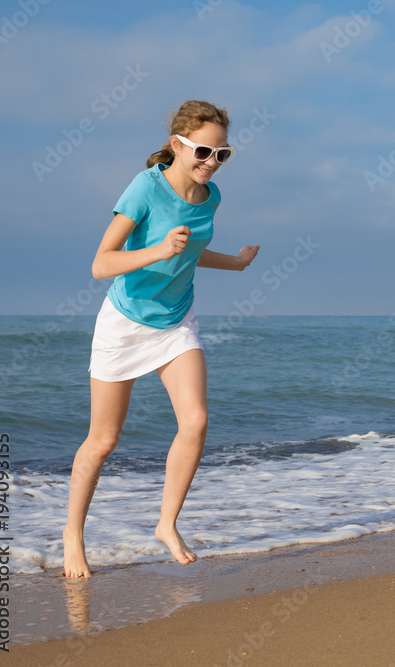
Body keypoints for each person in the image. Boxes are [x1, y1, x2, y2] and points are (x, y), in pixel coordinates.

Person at [62, 100, 260, 577]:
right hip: (125, 321)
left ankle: (166, 523)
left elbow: (191, 250)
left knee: (195, 421)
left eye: (222, 154)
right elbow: (100, 264)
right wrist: (155, 250)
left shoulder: (210, 197)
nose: (212, 162)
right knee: (103, 440)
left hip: (176, 320)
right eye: (204, 151)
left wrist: (232, 262)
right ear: (178, 145)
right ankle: (72, 535)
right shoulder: (144, 190)